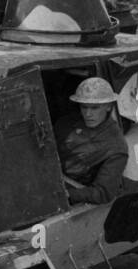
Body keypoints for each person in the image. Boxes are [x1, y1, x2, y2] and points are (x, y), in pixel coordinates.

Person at [55, 77, 128, 205]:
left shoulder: (116, 146)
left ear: (108, 106)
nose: (88, 114)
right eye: (84, 107)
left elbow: (103, 193)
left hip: (72, 194)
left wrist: (69, 194)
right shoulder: (65, 123)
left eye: (95, 108)